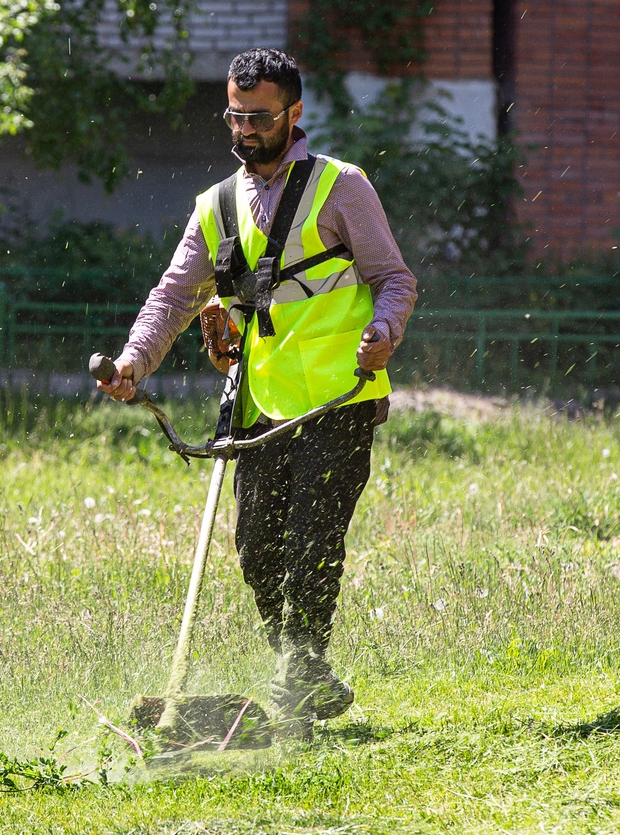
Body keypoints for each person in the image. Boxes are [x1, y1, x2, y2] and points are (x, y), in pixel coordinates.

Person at [98, 47, 417, 738]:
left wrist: (384, 330)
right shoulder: (214, 206)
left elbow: (395, 278)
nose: (243, 129)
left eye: (259, 117)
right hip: (260, 404)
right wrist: (132, 362)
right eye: (234, 116)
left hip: (340, 396)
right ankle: (303, 668)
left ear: (294, 114)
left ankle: (299, 676)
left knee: (311, 538)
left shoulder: (343, 188)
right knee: (256, 544)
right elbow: (173, 297)